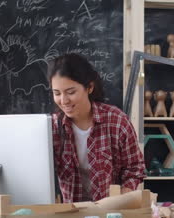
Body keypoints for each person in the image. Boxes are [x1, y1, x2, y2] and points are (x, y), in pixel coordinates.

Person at [48, 53, 145, 203]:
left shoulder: (117, 121)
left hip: (111, 213)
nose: (63, 100)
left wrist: (121, 198)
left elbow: (135, 168)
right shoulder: (53, 127)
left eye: (71, 92)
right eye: (57, 93)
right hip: (71, 213)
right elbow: (41, 170)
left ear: (89, 87)